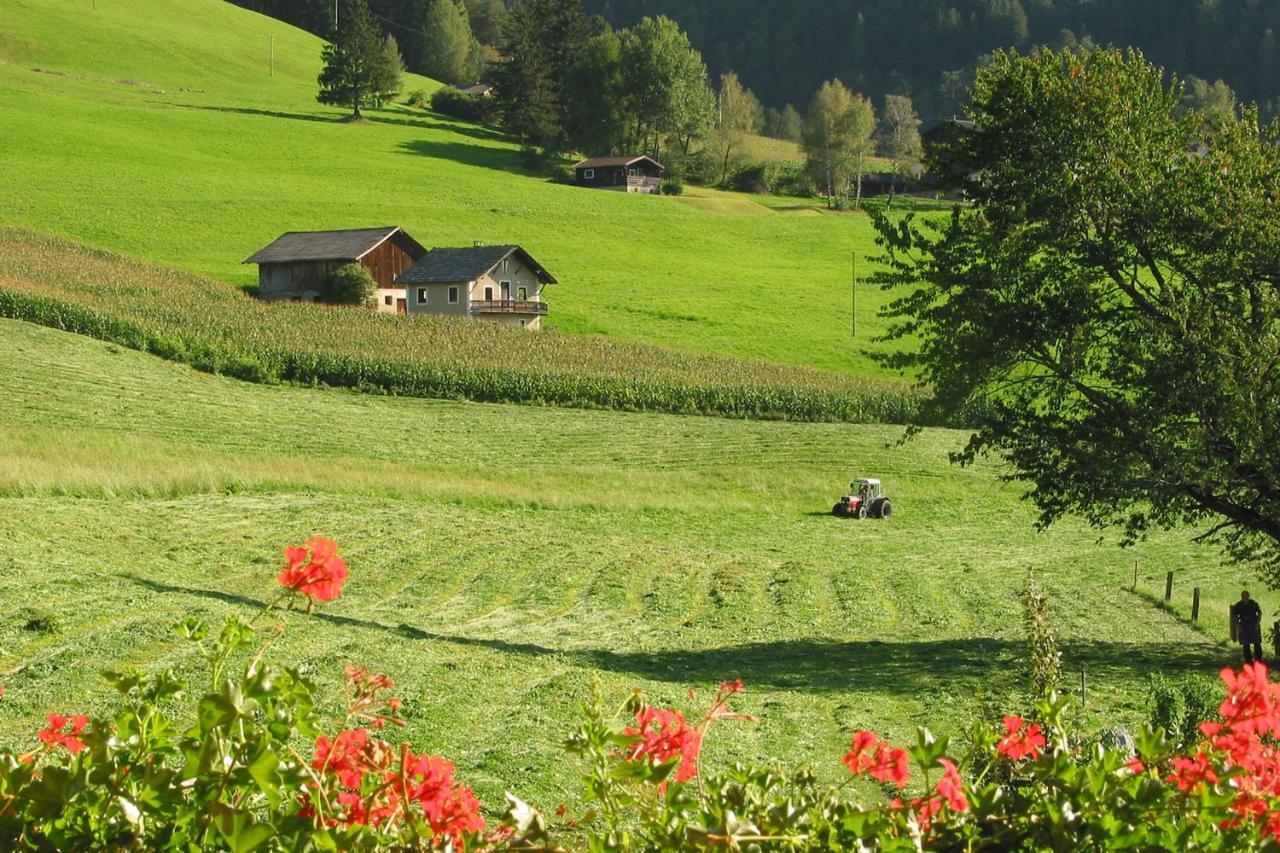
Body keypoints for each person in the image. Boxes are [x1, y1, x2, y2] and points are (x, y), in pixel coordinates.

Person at [1234, 590, 1263, 664]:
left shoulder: (1253, 603)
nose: (1245, 598)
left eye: (1246, 596)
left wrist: (1257, 624)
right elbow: (1235, 616)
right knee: (1245, 644)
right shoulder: (1239, 605)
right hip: (1244, 624)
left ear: (1248, 596)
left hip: (1253, 624)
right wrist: (1238, 626)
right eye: (1243, 596)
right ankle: (1249, 661)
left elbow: (1259, 613)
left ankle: (1258, 661)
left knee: (1257, 643)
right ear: (1242, 597)